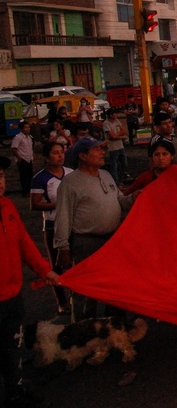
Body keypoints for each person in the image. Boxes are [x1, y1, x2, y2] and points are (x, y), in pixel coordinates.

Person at [54, 137, 138, 322]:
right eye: (97, 150)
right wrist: (63, 247)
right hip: (86, 242)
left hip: (112, 241)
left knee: (115, 287)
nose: (102, 152)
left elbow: (120, 201)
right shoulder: (71, 182)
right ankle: (83, 333)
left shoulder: (106, 175)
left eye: (102, 149)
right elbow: (63, 216)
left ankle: (112, 327)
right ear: (83, 156)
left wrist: (133, 197)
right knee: (86, 291)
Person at [0, 156, 59, 408]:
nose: (0, 182)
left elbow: (23, 242)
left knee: (12, 348)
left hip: (12, 296)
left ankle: (15, 391)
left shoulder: (7, 206)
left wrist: (45, 270)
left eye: (1, 176)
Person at [29, 141, 72, 316]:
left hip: (72, 224)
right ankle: (62, 301)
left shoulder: (71, 173)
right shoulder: (40, 178)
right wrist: (59, 204)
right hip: (53, 225)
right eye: (55, 153)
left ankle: (77, 296)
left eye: (61, 152)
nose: (60, 156)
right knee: (56, 265)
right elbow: (35, 204)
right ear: (47, 157)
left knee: (75, 262)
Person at [102, 108, 127, 184]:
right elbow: (112, 136)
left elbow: (123, 130)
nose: (116, 115)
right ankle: (116, 181)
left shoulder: (116, 121)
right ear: (110, 115)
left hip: (120, 146)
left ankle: (120, 178)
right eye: (114, 114)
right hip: (113, 148)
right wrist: (120, 136)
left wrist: (116, 135)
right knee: (114, 165)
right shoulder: (106, 124)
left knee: (124, 164)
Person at [11, 121, 34, 198]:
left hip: (29, 159)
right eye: (26, 127)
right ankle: (25, 192)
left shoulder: (29, 137)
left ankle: (29, 191)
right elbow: (14, 148)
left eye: (28, 127)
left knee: (30, 175)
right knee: (24, 177)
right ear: (21, 129)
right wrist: (19, 158)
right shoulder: (18, 137)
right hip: (23, 159)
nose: (28, 129)